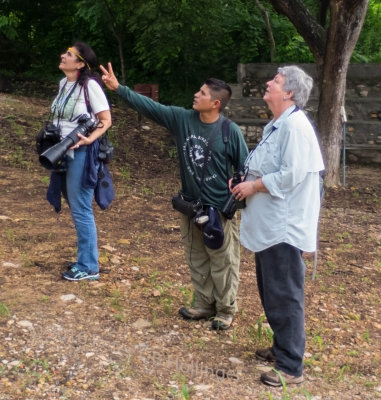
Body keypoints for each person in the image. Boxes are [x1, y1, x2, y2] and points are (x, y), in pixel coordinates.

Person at [100, 63, 248, 330]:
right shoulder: (182, 119)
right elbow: (150, 108)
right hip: (191, 207)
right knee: (196, 257)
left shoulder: (230, 132)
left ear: (215, 103)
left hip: (218, 212)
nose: (195, 94)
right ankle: (203, 304)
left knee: (224, 260)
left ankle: (225, 310)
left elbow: (245, 169)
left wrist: (234, 201)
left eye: (201, 93)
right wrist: (118, 89)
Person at [230, 66, 324, 386]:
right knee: (272, 291)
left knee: (284, 294)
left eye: (277, 81)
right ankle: (281, 347)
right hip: (269, 225)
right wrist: (244, 181)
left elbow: (292, 174)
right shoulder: (277, 125)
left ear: (289, 93)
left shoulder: (295, 126)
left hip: (284, 227)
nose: (269, 83)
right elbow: (266, 165)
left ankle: (290, 366)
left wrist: (253, 187)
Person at [48, 42, 111, 281]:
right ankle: (84, 258)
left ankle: (88, 266)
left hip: (82, 154)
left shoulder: (90, 85)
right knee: (75, 206)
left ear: (81, 63)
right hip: (61, 152)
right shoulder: (64, 83)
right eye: (65, 52)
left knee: (81, 207)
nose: (63, 56)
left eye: (69, 54)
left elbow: (105, 120)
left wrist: (87, 140)